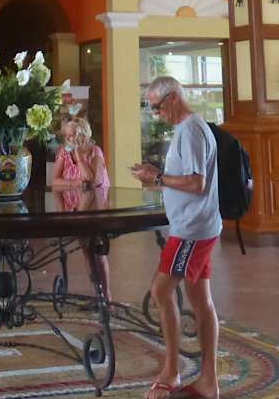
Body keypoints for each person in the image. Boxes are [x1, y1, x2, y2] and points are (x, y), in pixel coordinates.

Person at [131, 76, 221, 399]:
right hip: (196, 225)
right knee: (200, 299)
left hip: (191, 230)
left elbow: (197, 183)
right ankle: (209, 381)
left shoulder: (191, 130)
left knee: (161, 289)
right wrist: (155, 176)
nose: (155, 114)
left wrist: (157, 176)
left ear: (172, 98)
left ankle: (171, 372)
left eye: (156, 107)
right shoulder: (187, 129)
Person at [50, 115, 112, 297]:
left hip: (96, 207)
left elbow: (93, 181)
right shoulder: (63, 152)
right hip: (75, 208)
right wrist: (75, 184)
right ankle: (97, 295)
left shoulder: (95, 151)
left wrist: (78, 156)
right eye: (67, 135)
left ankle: (107, 295)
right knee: (86, 251)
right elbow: (55, 182)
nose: (70, 139)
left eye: (74, 134)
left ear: (85, 134)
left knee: (98, 252)